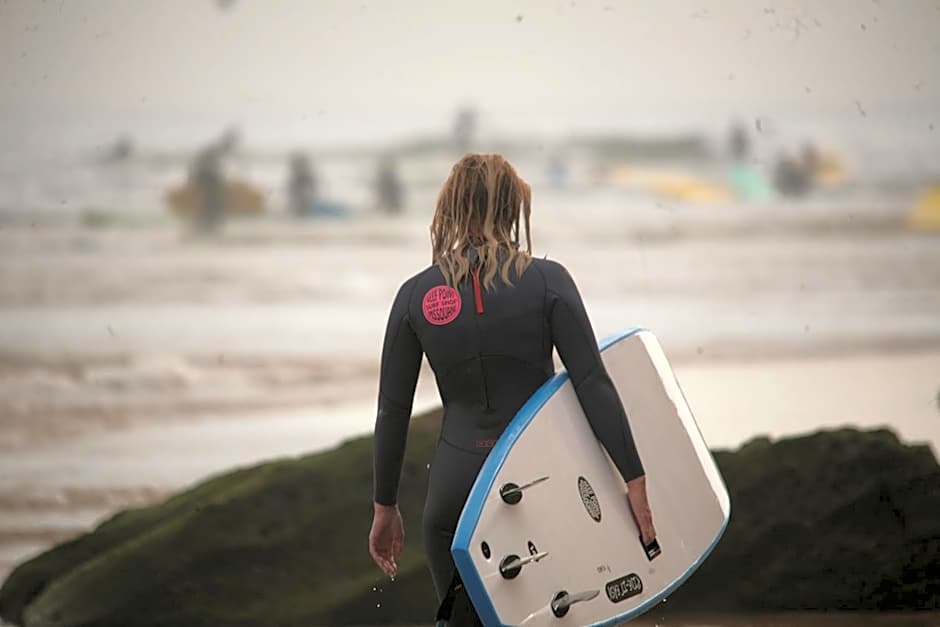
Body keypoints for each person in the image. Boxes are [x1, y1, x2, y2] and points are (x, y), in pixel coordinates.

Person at [369, 154, 656, 626]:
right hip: (539, 485)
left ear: (451, 209)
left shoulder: (414, 295)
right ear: (512, 207)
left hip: (453, 500)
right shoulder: (548, 281)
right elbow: (591, 382)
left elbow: (391, 412)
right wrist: (634, 479)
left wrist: (385, 506)